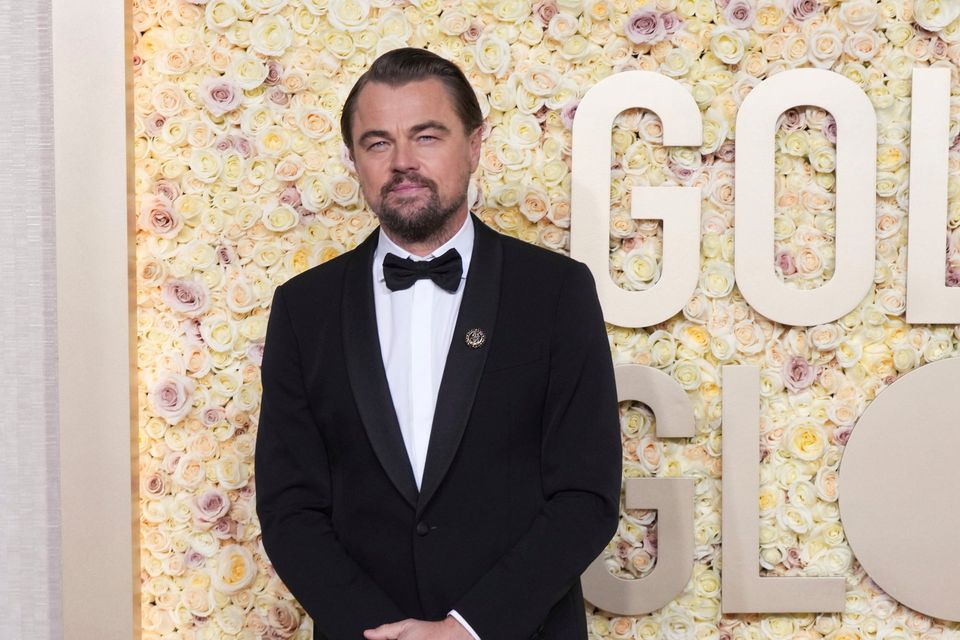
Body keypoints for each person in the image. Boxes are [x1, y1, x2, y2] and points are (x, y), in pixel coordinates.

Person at [255, 47, 622, 640]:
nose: (402, 162)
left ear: (474, 145)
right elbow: (289, 506)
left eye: (427, 136)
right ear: (353, 161)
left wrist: (469, 628)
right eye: (377, 143)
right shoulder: (304, 309)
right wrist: (380, 630)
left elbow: (586, 493)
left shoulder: (555, 292)